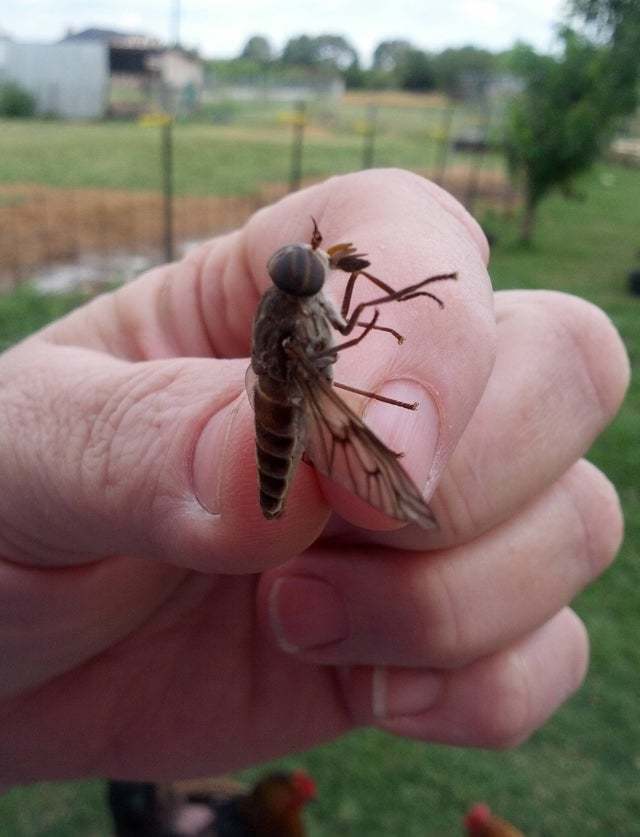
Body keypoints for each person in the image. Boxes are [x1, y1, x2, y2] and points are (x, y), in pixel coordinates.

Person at [0, 169, 628, 788]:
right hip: (283, 426)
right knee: (365, 452)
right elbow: (337, 353)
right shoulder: (297, 317)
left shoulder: (289, 303)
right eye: (304, 267)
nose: (314, 269)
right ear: (294, 285)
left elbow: (336, 340)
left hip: (281, 411)